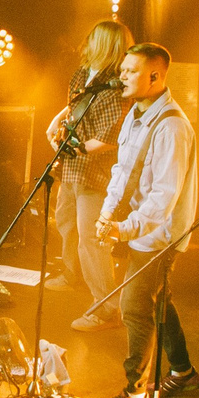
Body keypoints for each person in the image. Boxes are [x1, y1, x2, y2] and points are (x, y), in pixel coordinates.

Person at [94, 42, 198, 398]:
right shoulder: (137, 114)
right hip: (138, 228)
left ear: (154, 76)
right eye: (122, 69)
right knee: (159, 300)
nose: (121, 76)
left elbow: (163, 198)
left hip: (158, 236)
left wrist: (125, 228)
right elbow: (122, 171)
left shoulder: (172, 128)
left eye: (130, 71)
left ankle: (134, 392)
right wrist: (108, 213)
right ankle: (183, 370)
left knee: (135, 308)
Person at [45, 19, 133, 331]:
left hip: (95, 173)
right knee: (65, 220)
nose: (86, 42)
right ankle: (72, 275)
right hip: (71, 166)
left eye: (94, 39)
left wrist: (78, 149)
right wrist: (56, 123)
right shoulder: (84, 74)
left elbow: (110, 137)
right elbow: (72, 106)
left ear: (107, 46)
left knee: (91, 238)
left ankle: (107, 309)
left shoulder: (117, 87)